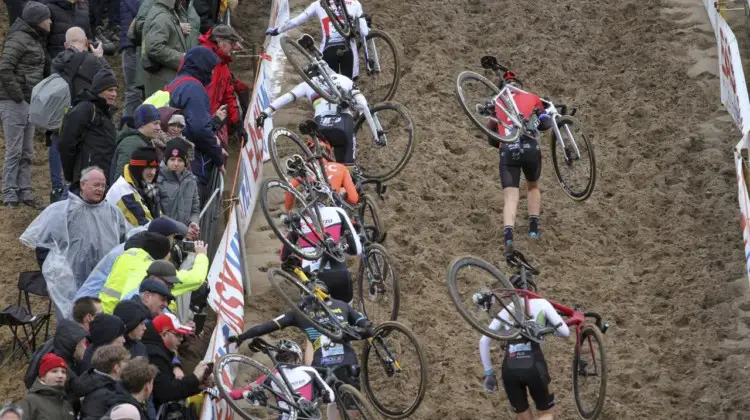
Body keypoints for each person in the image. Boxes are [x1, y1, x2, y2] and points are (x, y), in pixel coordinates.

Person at [229, 284, 374, 419]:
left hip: (322, 364)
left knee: (323, 401)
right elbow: (366, 327)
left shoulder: (299, 313)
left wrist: (241, 336)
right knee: (350, 407)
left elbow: (264, 327)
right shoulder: (341, 305)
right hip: (347, 360)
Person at [19, 166, 128, 319]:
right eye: (96, 185)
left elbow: (123, 242)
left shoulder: (113, 212)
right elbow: (43, 244)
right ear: (83, 184)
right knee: (72, 326)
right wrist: (55, 272)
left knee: (100, 324)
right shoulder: (62, 211)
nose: (100, 189)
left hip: (103, 281)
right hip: (70, 283)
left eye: (103, 186)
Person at [484, 64, 553, 257]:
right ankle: (533, 230)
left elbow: (491, 137)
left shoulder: (498, 103)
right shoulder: (532, 97)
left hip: (508, 150)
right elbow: (545, 123)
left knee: (510, 196)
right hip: (531, 148)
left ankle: (508, 238)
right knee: (532, 186)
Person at [479, 278, 569, 420]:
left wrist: (489, 373)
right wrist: (549, 330)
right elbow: (565, 332)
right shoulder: (542, 303)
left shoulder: (506, 310)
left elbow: (483, 341)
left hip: (509, 369)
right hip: (534, 366)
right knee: (546, 414)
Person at [256, 71, 381, 167]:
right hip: (344, 124)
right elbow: (363, 105)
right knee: (347, 169)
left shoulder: (307, 84)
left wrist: (266, 112)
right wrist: (376, 135)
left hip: (321, 126)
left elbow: (287, 98)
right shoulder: (344, 79)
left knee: (322, 170)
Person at [48, 26, 110, 202]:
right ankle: (78, 185)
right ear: (86, 42)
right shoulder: (92, 61)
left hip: (60, 114)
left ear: (66, 43)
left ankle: (57, 188)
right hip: (85, 114)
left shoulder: (57, 61)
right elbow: (108, 79)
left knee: (57, 143)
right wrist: (100, 57)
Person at [0, 1, 50, 208]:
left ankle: (25, 190)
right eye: (47, 18)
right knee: (14, 149)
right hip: (14, 102)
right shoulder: (19, 38)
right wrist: (18, 96)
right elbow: (4, 68)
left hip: (28, 102)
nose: (51, 21)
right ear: (38, 20)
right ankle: (9, 192)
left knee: (27, 150)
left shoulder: (33, 39)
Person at [76, 216, 188, 300]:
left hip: (98, 305)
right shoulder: (135, 255)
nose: (173, 244)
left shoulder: (140, 247)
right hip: (90, 308)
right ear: (163, 239)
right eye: (172, 239)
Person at [228, 339, 335, 420]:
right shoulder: (308, 370)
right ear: (298, 358)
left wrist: (217, 392)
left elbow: (239, 393)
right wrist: (320, 399)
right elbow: (330, 396)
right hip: (309, 416)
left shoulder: (271, 375)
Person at [166, 46, 224, 188]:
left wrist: (214, 122)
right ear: (202, 66)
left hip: (174, 152)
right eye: (210, 68)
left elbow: (188, 121)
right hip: (191, 159)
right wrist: (218, 156)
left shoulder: (176, 83)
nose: (211, 73)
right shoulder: (194, 88)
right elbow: (199, 129)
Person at [266, 0, 370, 80]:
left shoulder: (318, 4)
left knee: (329, 89)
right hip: (349, 52)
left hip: (328, 50)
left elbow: (296, 21)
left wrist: (277, 31)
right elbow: (364, 33)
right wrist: (366, 25)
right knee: (350, 88)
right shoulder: (355, 3)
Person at [58, 69, 119, 192]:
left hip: (103, 181)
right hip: (86, 182)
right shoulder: (85, 109)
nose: (114, 94)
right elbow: (66, 144)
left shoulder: (105, 113)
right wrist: (72, 176)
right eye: (110, 90)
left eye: (115, 90)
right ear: (99, 90)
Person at [144, 313, 210, 409]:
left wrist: (198, 384)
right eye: (178, 335)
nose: (181, 339)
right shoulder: (155, 355)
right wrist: (195, 378)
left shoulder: (160, 349)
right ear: (164, 334)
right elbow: (166, 392)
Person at [198, 24, 248, 146]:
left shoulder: (223, 65)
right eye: (232, 43)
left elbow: (228, 95)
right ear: (221, 42)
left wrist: (237, 123)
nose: (235, 47)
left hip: (215, 122)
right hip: (201, 125)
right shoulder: (201, 60)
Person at [97, 233, 171, 313]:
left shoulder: (126, 255)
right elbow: (130, 296)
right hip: (116, 315)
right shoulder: (145, 266)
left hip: (103, 307)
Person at [142, 0, 193, 97]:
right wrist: (182, 58)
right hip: (163, 83)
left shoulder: (167, 13)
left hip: (166, 81)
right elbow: (154, 47)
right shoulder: (162, 16)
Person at [106, 146, 162, 229]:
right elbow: (146, 226)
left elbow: (159, 217)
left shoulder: (143, 184)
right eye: (148, 168)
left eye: (155, 168)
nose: (153, 172)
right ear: (138, 168)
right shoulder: (123, 193)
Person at [24, 318, 88, 389]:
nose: (85, 348)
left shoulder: (61, 347)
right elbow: (80, 388)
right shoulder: (62, 366)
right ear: (74, 345)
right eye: (82, 344)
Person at [72, 344, 132, 419]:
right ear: (116, 368)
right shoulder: (102, 393)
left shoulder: (98, 384)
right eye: (126, 362)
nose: (129, 365)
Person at [158, 138, 201, 236]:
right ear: (166, 160)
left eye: (180, 160)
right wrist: (181, 229)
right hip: (162, 235)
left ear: (185, 162)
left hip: (184, 235)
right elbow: (156, 213)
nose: (176, 164)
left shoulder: (191, 181)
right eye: (172, 159)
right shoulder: (157, 180)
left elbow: (195, 209)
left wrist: (193, 222)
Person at [113, 104, 164, 180]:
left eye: (159, 124)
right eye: (155, 123)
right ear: (142, 124)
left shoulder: (144, 141)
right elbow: (120, 178)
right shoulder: (131, 144)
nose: (159, 128)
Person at [20, 353, 76, 420]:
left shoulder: (67, 405)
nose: (60, 375)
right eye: (54, 371)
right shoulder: (30, 401)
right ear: (43, 376)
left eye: (63, 372)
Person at [119, 0, 143, 119]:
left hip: (137, 47)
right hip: (132, 48)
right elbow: (143, 11)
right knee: (134, 90)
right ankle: (126, 128)